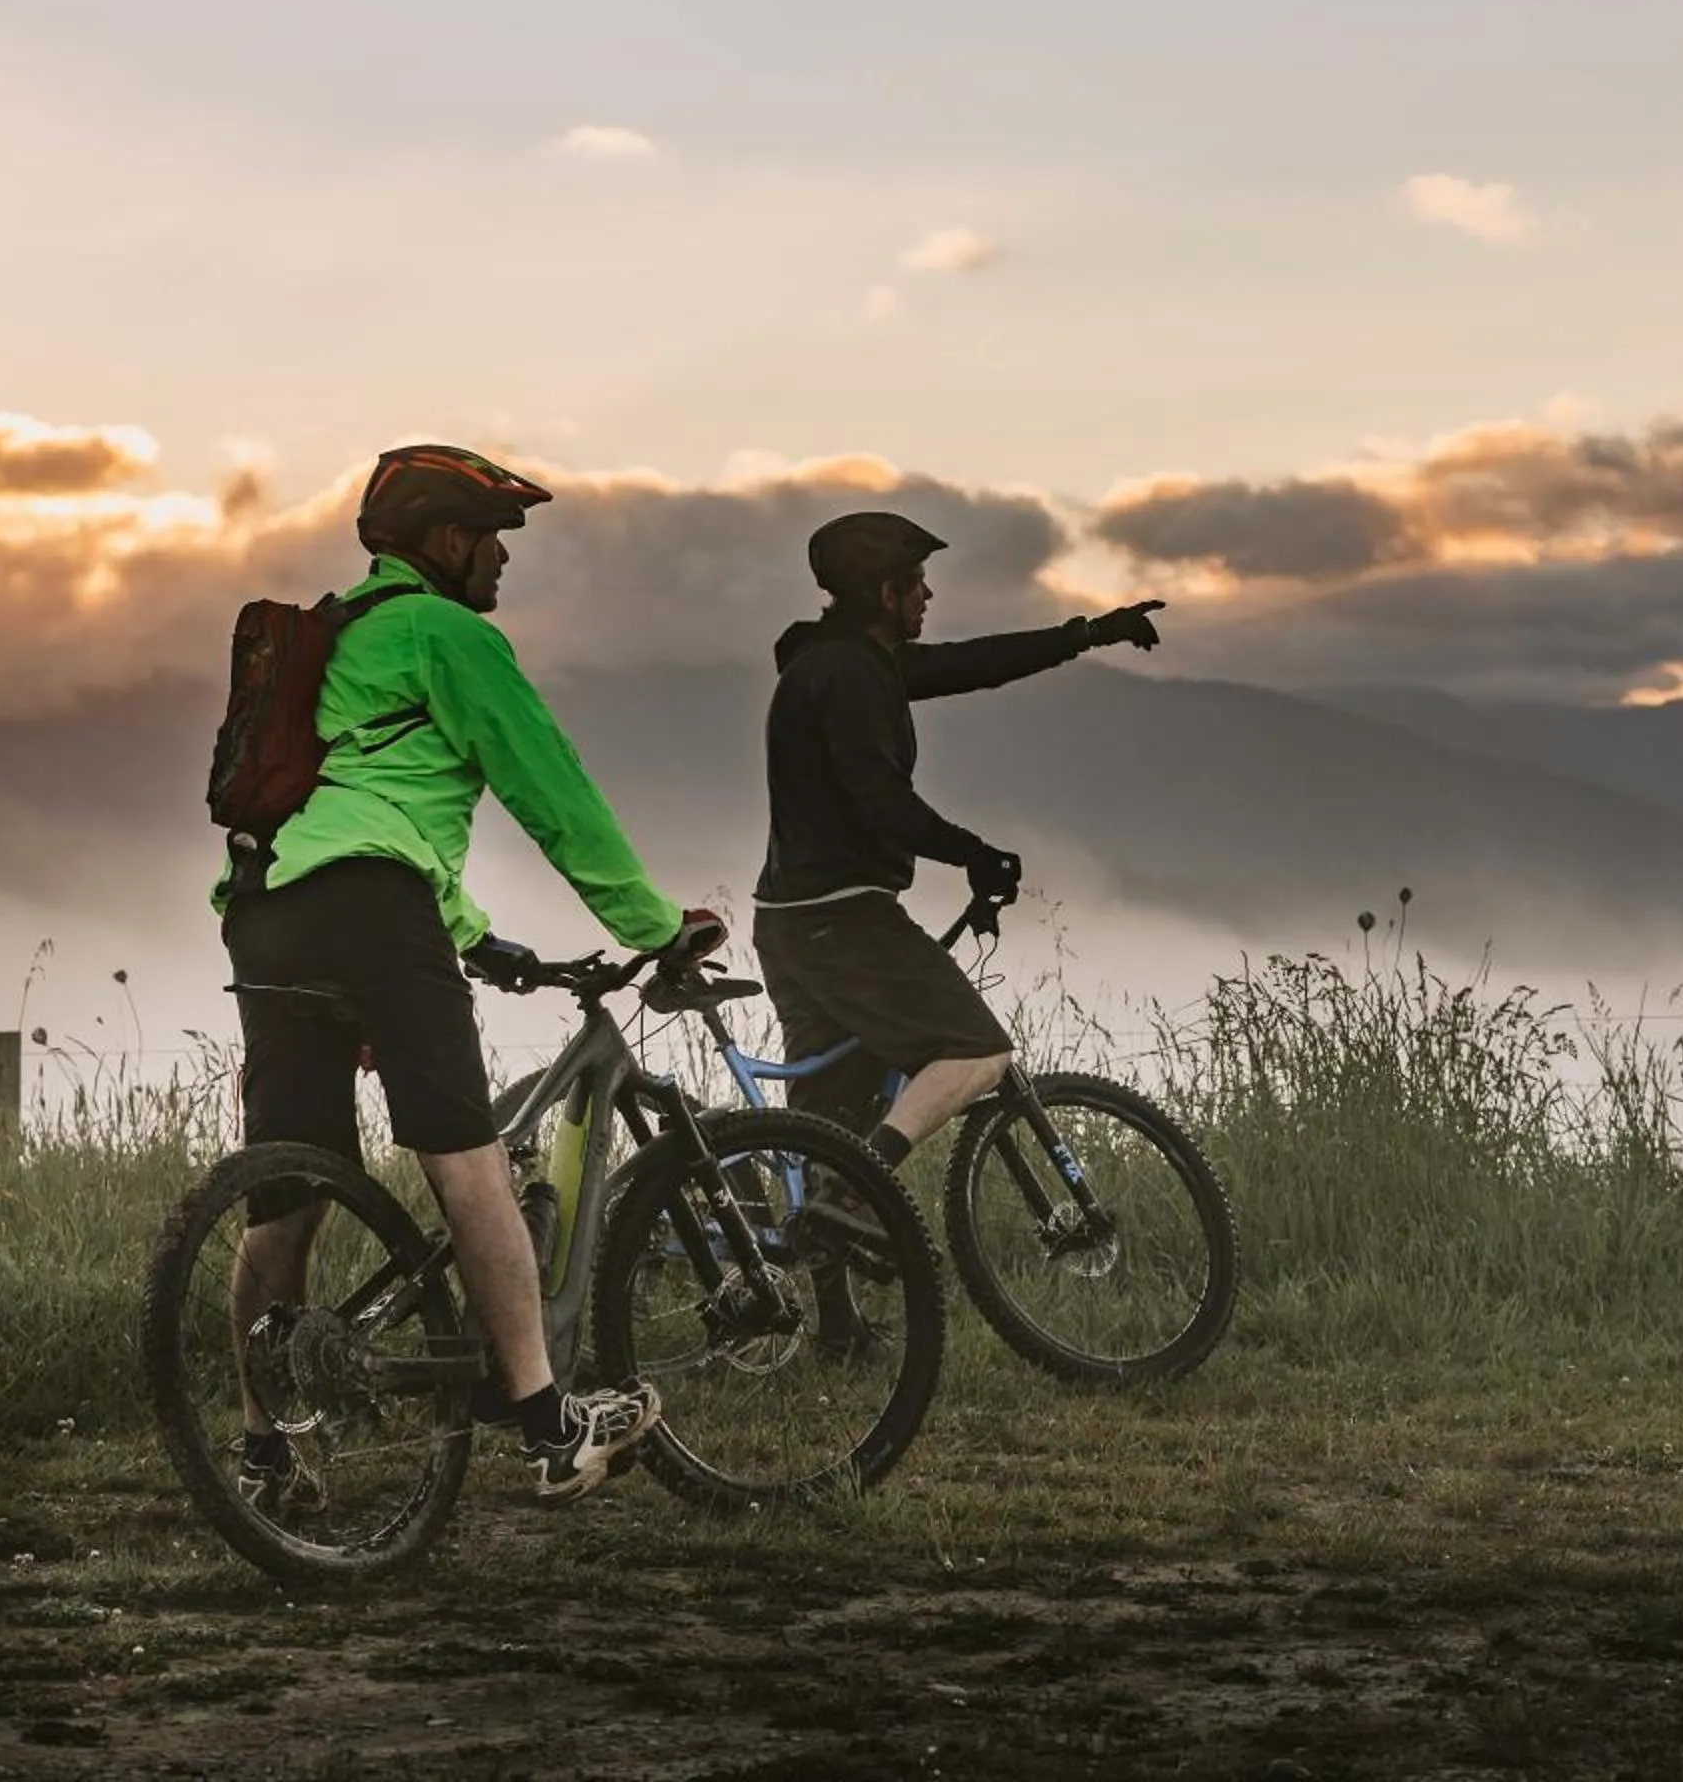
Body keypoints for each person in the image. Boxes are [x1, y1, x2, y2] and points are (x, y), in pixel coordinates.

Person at [214, 443, 724, 1506]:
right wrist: (654, 922)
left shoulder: (338, 632)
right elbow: (553, 791)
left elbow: (359, 795)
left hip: (266, 911)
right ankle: (548, 1424)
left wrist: (468, 931)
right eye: (493, 539)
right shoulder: (449, 633)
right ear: (447, 542)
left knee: (289, 1189)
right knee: (468, 1157)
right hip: (368, 905)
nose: (502, 560)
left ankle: (263, 1452)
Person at [750, 509, 1165, 1212]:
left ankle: (838, 1315)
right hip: (844, 920)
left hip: (789, 923)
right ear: (886, 593)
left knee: (827, 1130)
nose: (928, 597)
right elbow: (880, 800)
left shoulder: (845, 663)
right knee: (977, 1051)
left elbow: (973, 663)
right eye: (917, 583)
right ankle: (861, 1187)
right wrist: (971, 853)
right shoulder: (850, 676)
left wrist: (1090, 631)